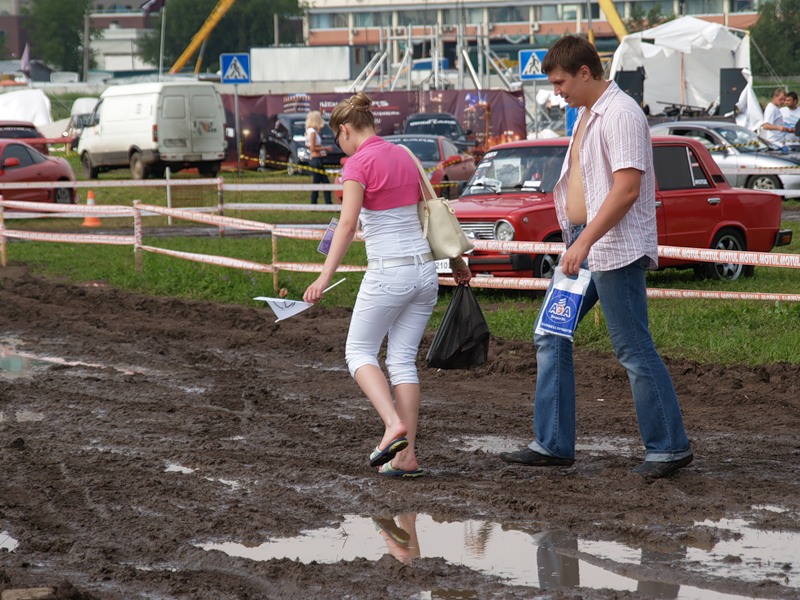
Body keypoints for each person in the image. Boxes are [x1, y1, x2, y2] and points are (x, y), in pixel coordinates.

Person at [498, 35, 693, 479]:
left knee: (632, 347)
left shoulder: (621, 114)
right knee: (550, 332)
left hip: (612, 248)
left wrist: (584, 243)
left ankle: (669, 448)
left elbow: (626, 189)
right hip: (585, 245)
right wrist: (578, 240)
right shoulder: (588, 113)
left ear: (585, 73)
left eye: (560, 81)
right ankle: (552, 444)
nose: (556, 91)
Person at [303, 92, 471, 478]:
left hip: (388, 272)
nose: (339, 145)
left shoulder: (356, 164)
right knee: (400, 361)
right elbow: (433, 212)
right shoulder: (405, 156)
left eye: (338, 138)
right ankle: (406, 456)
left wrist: (323, 277)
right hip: (425, 275)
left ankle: (392, 425)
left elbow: (346, 226)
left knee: (358, 352)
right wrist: (457, 260)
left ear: (345, 130)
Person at [305, 110, 333, 205]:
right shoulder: (312, 133)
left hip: (316, 159)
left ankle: (319, 203)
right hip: (316, 160)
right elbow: (313, 148)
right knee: (321, 183)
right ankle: (318, 203)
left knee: (320, 183)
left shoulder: (309, 131)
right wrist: (325, 148)